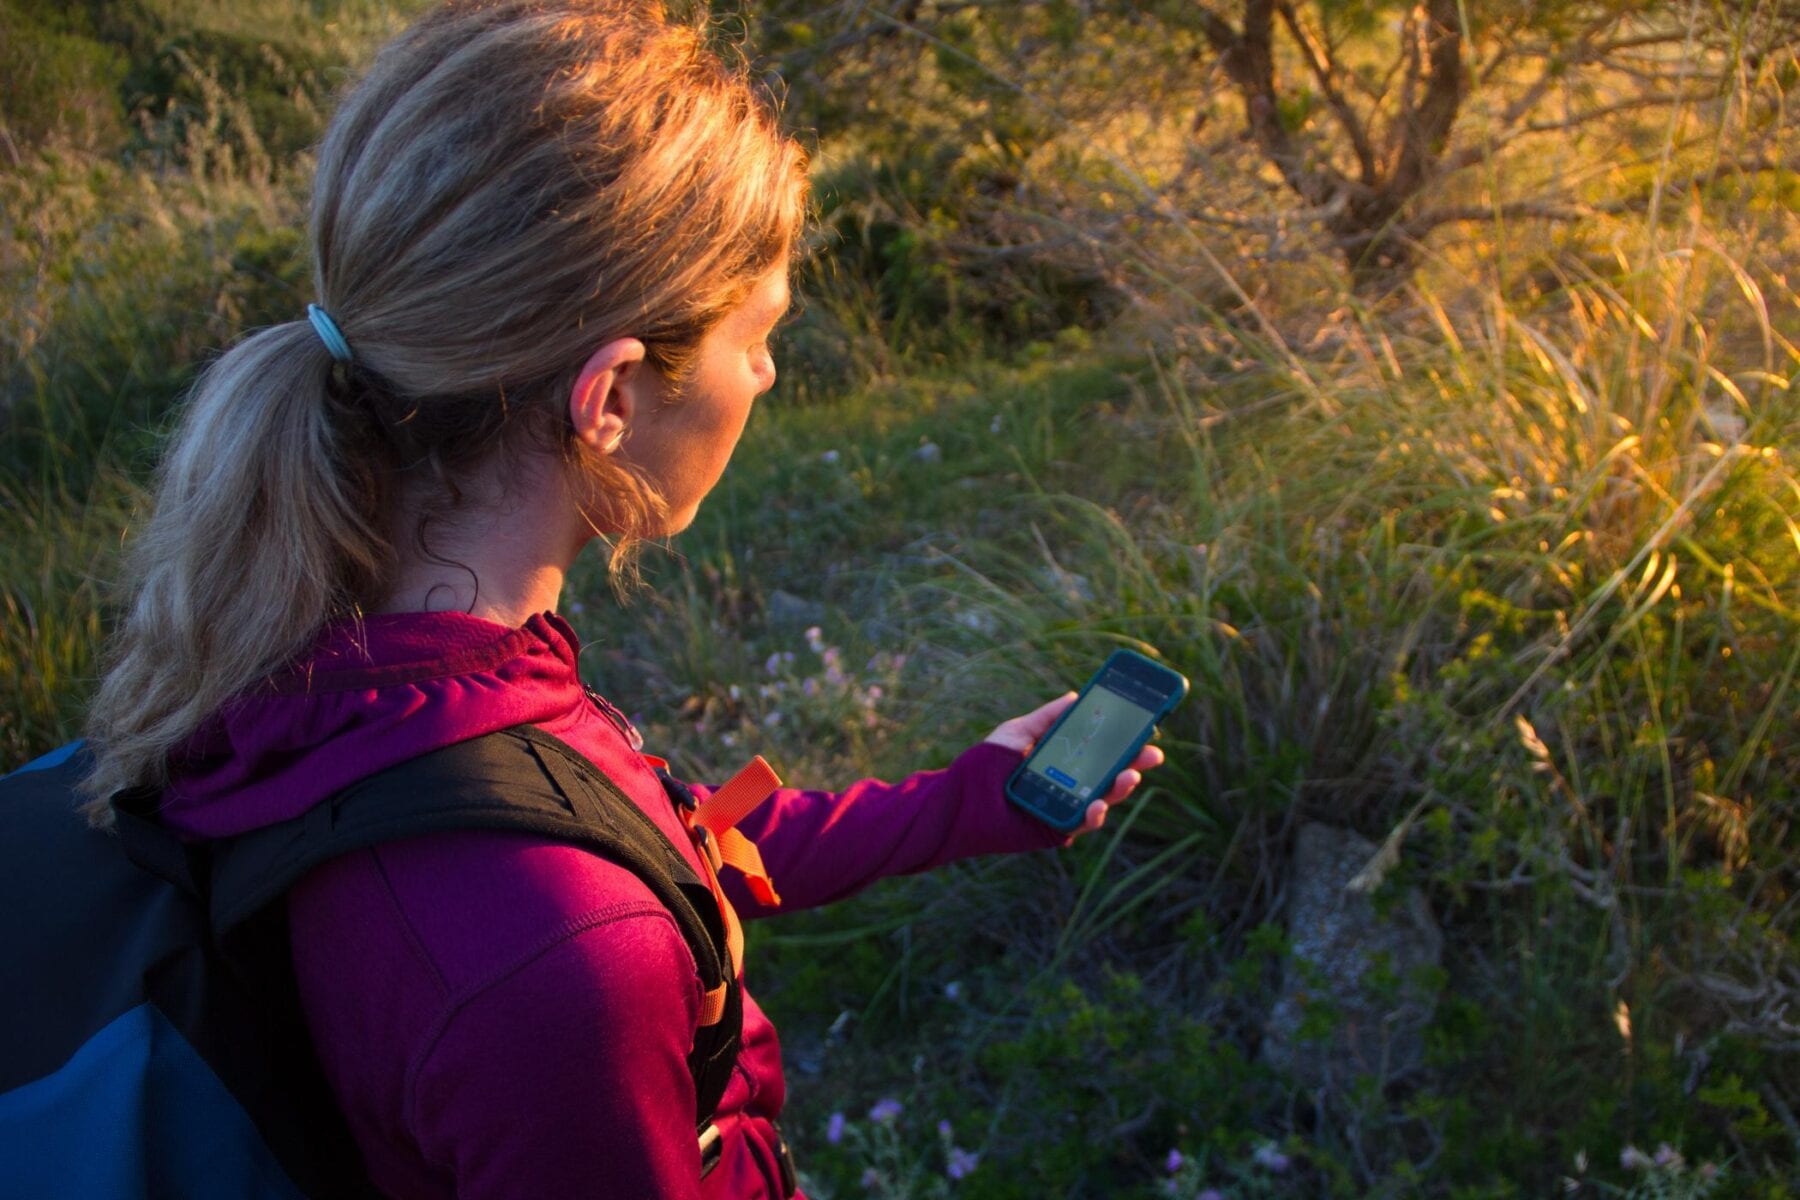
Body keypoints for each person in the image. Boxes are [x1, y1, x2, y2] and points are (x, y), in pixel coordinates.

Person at [78, 2, 1165, 1196]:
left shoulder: (345, 664)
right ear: (611, 399)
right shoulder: (556, 958)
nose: (763, 377)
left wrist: (966, 803)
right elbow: (601, 892)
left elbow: (667, 841)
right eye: (762, 335)